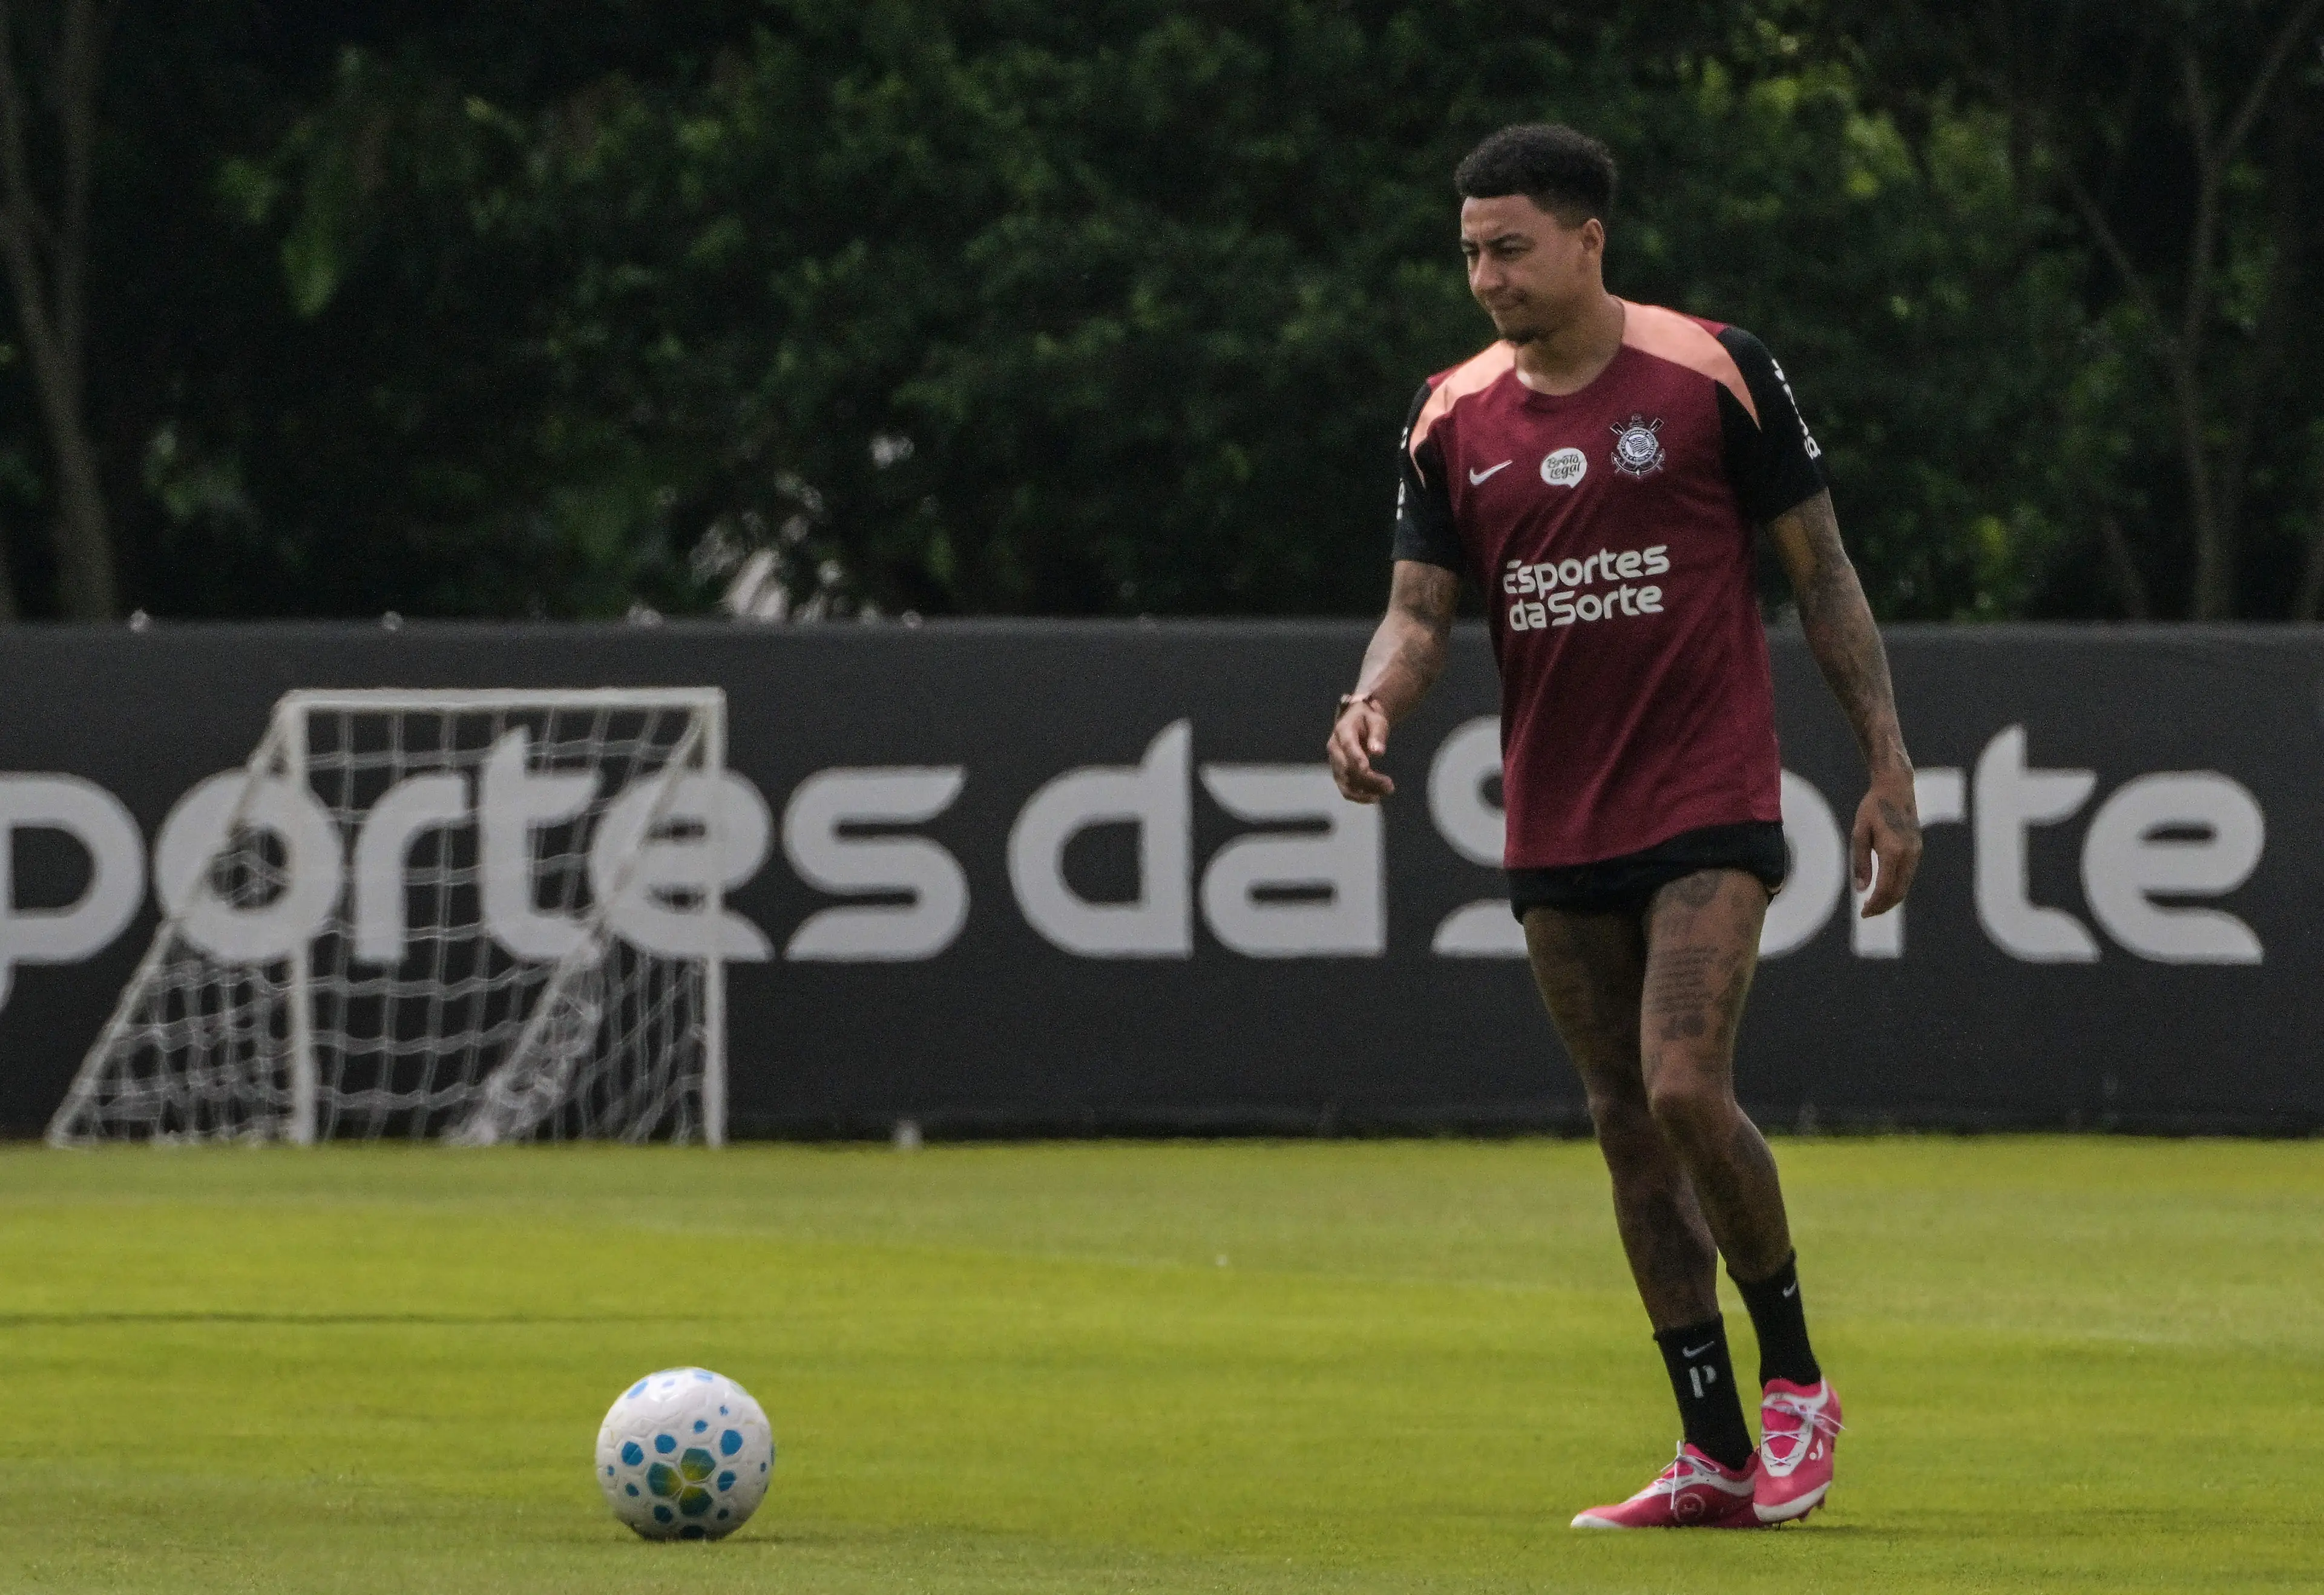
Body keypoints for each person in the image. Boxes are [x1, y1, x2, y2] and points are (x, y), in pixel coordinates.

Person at [1326, 123, 1922, 1529]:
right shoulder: (1446, 415)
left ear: (1591, 239)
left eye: (1512, 247)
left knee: (1679, 1088)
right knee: (1621, 1127)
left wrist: (1888, 766)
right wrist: (1371, 702)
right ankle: (1711, 1450)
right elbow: (1420, 615)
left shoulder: (1715, 370)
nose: (1486, 278)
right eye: (1470, 251)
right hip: (1555, 809)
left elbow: (1823, 574)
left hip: (1705, 791)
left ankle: (1796, 1387)